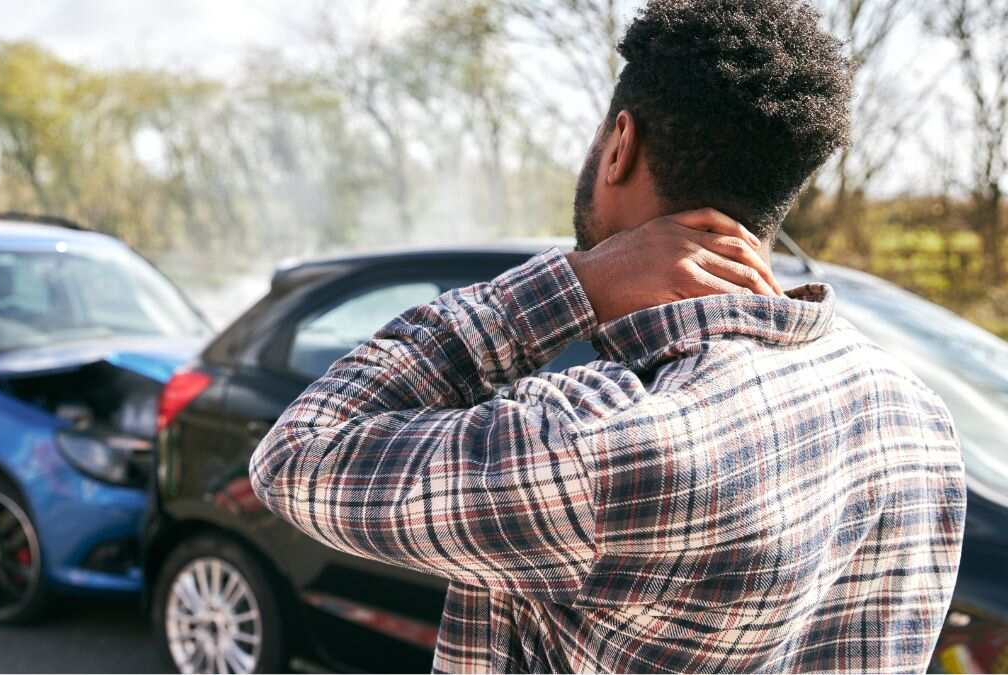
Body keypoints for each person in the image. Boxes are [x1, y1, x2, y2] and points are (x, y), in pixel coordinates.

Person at [249, 0, 965, 672]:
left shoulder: (594, 444)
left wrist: (574, 284)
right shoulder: (916, 417)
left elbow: (296, 455)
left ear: (620, 143)